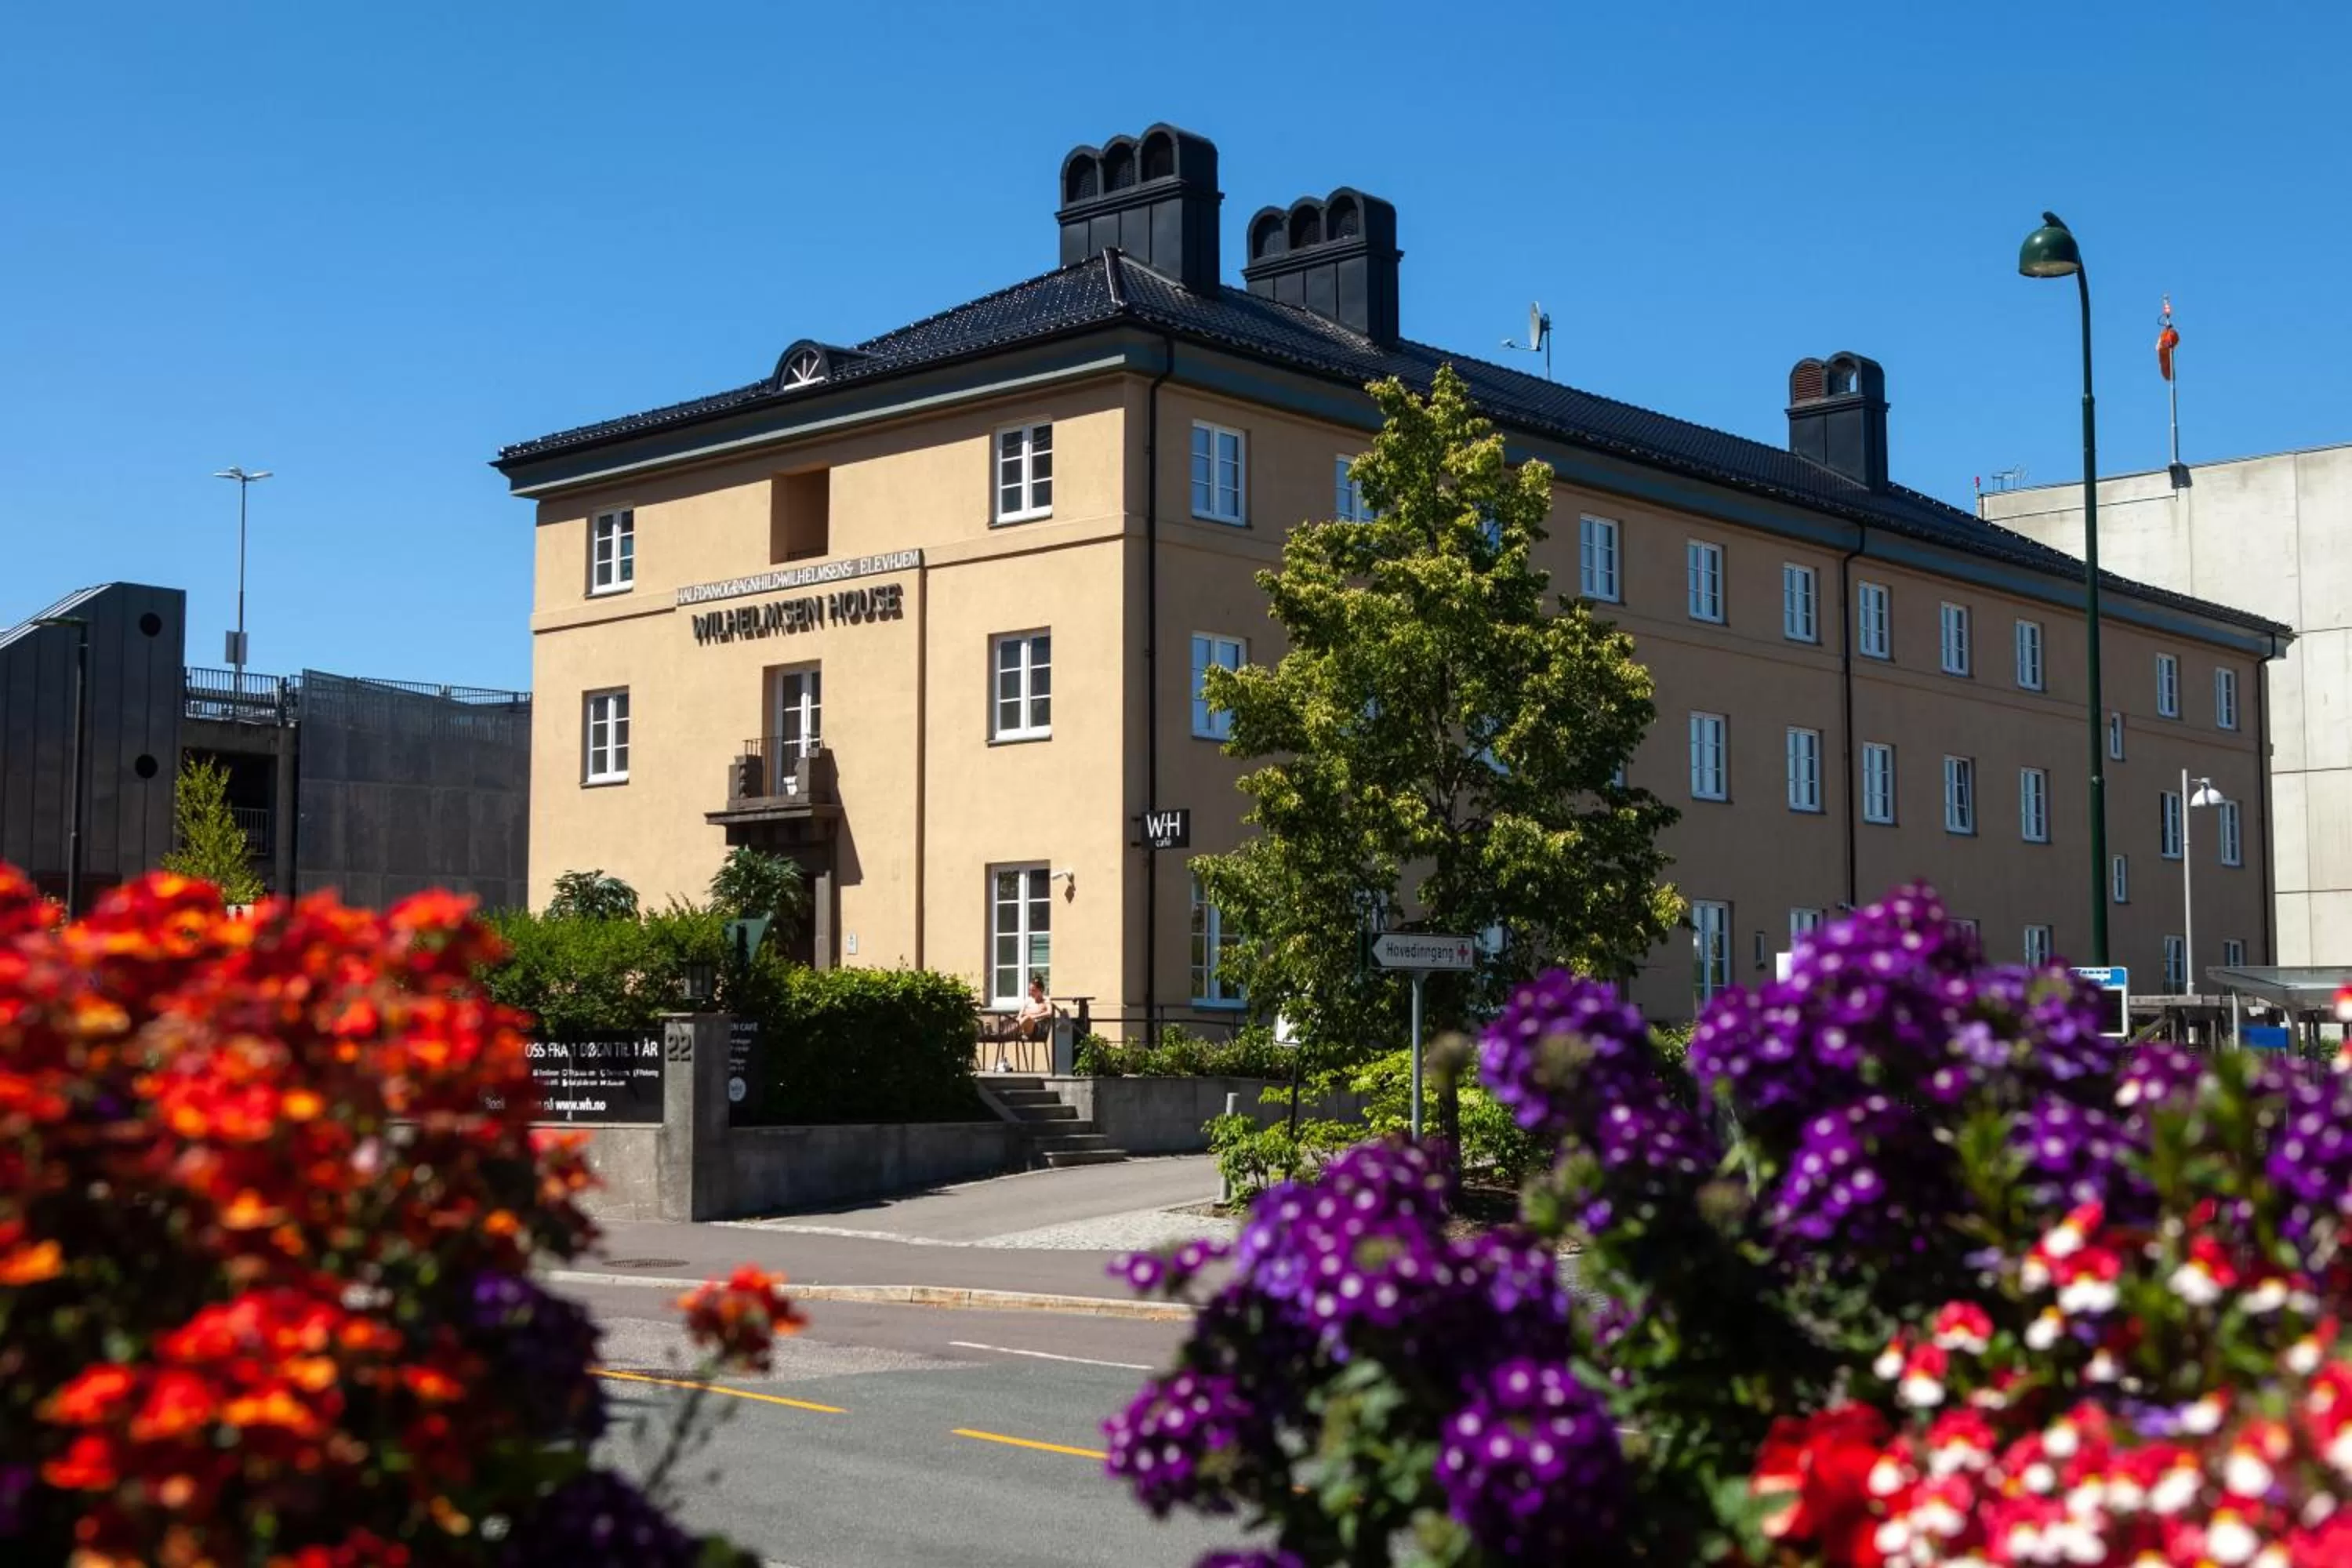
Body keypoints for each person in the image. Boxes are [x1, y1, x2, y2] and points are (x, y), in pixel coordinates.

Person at [989, 975, 1055, 1042]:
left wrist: (1033, 1016)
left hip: (1037, 1029)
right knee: (1004, 1019)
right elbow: (1020, 1015)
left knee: (1027, 1018)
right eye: (1030, 990)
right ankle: (997, 1034)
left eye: (1033, 990)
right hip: (1023, 1028)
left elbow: (1050, 1012)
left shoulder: (1046, 1000)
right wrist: (1018, 1018)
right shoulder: (1028, 1000)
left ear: (1040, 990)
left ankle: (1002, 1035)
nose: (1030, 993)